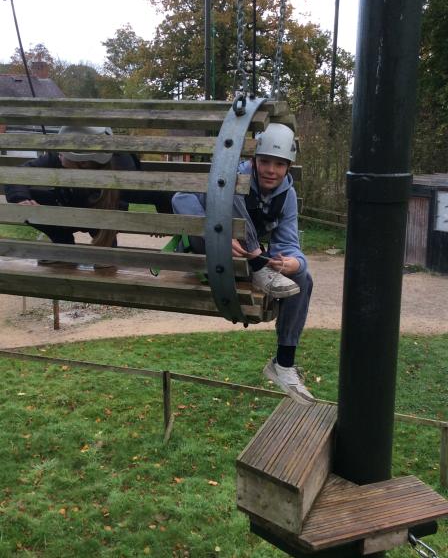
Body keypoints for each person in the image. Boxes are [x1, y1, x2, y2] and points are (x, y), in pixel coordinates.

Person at [172, 123, 314, 404]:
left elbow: (289, 243)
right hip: (207, 251)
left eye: (279, 164)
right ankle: (258, 267)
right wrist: (217, 234)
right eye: (265, 161)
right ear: (253, 160)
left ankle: (283, 364)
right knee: (232, 189)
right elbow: (181, 197)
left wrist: (295, 264)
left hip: (243, 260)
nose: (271, 170)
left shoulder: (286, 196)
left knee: (304, 279)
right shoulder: (231, 176)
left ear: (288, 167)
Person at [4, 125, 174, 263]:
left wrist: (162, 221)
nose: (58, 154)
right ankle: (63, 244)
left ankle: (107, 250)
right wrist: (21, 199)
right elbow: (19, 173)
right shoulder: (58, 157)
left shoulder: (124, 172)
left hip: (105, 215)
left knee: (104, 257)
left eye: (63, 152)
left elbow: (158, 194)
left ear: (83, 163)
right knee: (31, 197)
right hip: (68, 205)